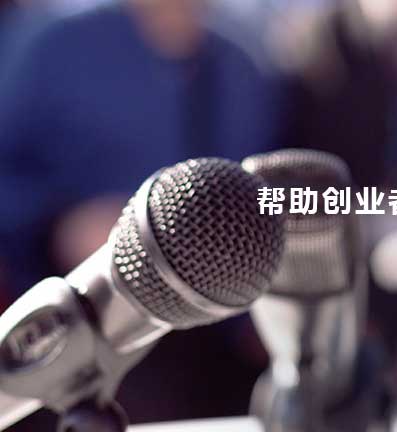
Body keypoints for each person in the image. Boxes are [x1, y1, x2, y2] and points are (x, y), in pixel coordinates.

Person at [0, 0, 282, 293]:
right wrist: (60, 229)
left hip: (208, 302)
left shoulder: (244, 70)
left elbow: (264, 197)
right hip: (77, 298)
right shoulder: (53, 46)